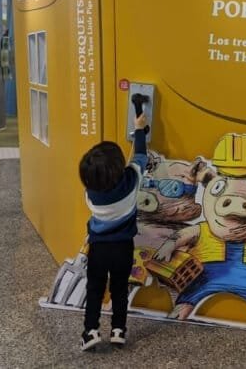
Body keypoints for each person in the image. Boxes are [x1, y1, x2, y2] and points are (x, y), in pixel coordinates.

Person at [79, 114, 148, 351]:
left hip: (98, 248)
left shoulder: (91, 195)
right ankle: (118, 330)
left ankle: (90, 332)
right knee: (119, 289)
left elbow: (107, 179)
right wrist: (139, 129)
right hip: (123, 248)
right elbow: (140, 157)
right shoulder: (130, 184)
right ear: (120, 169)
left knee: (95, 289)